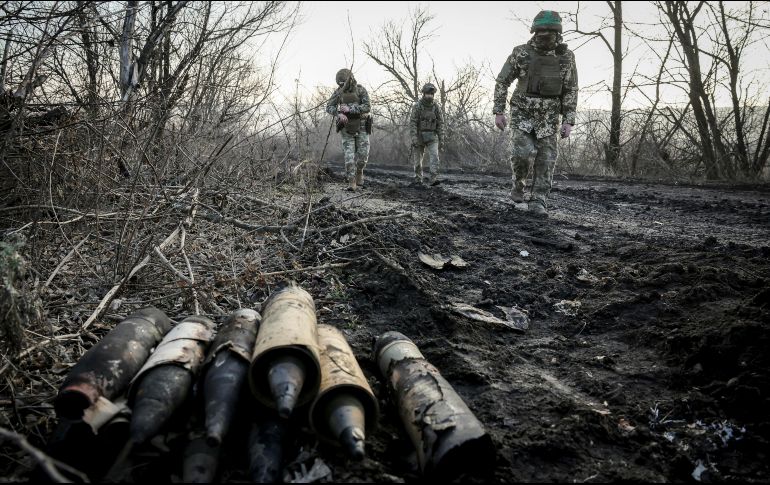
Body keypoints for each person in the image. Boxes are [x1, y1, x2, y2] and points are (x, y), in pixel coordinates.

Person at [493, 10, 578, 216]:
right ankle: (518, 186)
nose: (544, 34)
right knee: (521, 155)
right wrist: (499, 111)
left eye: (549, 30)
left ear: (558, 32)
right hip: (522, 113)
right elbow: (502, 81)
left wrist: (568, 120)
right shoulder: (521, 53)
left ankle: (539, 200)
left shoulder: (566, 57)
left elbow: (571, 89)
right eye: (541, 30)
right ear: (534, 31)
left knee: (546, 159)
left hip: (549, 118)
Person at [326, 68, 372, 191]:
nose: (342, 86)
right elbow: (329, 106)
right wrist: (338, 113)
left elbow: (367, 107)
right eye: (339, 84)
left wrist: (350, 109)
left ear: (349, 80)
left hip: (362, 125)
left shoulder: (361, 90)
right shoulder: (338, 92)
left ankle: (359, 172)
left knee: (363, 156)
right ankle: (351, 181)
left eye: (343, 83)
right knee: (349, 157)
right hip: (346, 127)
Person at [409, 83, 445, 185]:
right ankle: (418, 178)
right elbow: (413, 123)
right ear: (424, 94)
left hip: (432, 136)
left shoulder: (436, 107)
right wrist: (414, 137)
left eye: (431, 94)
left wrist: (441, 139)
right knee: (418, 161)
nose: (429, 96)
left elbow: (440, 124)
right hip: (419, 136)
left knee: (435, 158)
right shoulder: (417, 106)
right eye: (427, 94)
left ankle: (433, 178)